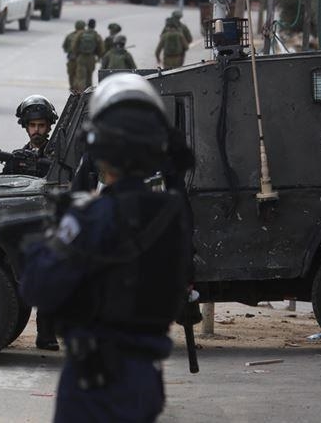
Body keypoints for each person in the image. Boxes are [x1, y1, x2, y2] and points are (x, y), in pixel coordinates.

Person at [19, 73, 194, 422]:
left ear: (101, 151)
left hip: (94, 382)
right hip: (145, 379)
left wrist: (43, 243)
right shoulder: (173, 215)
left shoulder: (92, 218)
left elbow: (39, 288)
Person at [0, 95, 60, 350]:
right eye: (32, 126)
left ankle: (46, 334)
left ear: (49, 127)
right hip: (23, 229)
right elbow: (4, 188)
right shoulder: (18, 156)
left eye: (41, 126)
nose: (36, 131)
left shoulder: (59, 156)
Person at [70, 18, 105, 91]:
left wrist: (77, 54)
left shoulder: (81, 34)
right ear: (94, 25)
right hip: (91, 58)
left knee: (81, 78)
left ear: (87, 25)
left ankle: (80, 93)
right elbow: (101, 48)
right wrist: (99, 56)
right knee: (89, 77)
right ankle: (88, 94)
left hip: (81, 57)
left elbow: (74, 46)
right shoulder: (96, 35)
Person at [62, 20, 86, 91]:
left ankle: (72, 88)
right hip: (82, 59)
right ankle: (79, 90)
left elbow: (64, 47)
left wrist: (70, 51)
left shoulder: (70, 35)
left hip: (71, 59)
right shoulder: (86, 35)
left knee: (71, 74)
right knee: (80, 77)